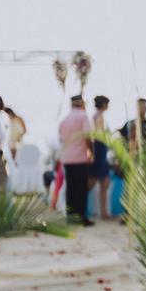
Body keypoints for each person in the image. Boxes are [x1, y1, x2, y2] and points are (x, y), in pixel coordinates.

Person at [58, 94, 94, 225]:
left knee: (71, 189)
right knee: (81, 189)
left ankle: (71, 217)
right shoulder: (84, 116)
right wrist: (91, 152)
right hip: (80, 158)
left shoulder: (64, 119)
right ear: (82, 104)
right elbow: (88, 136)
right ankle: (81, 217)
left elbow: (61, 139)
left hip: (67, 158)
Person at [89, 96, 112, 219]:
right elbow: (99, 135)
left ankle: (103, 212)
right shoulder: (99, 117)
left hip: (99, 149)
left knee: (99, 181)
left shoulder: (95, 116)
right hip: (100, 148)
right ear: (103, 104)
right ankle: (103, 212)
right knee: (102, 181)